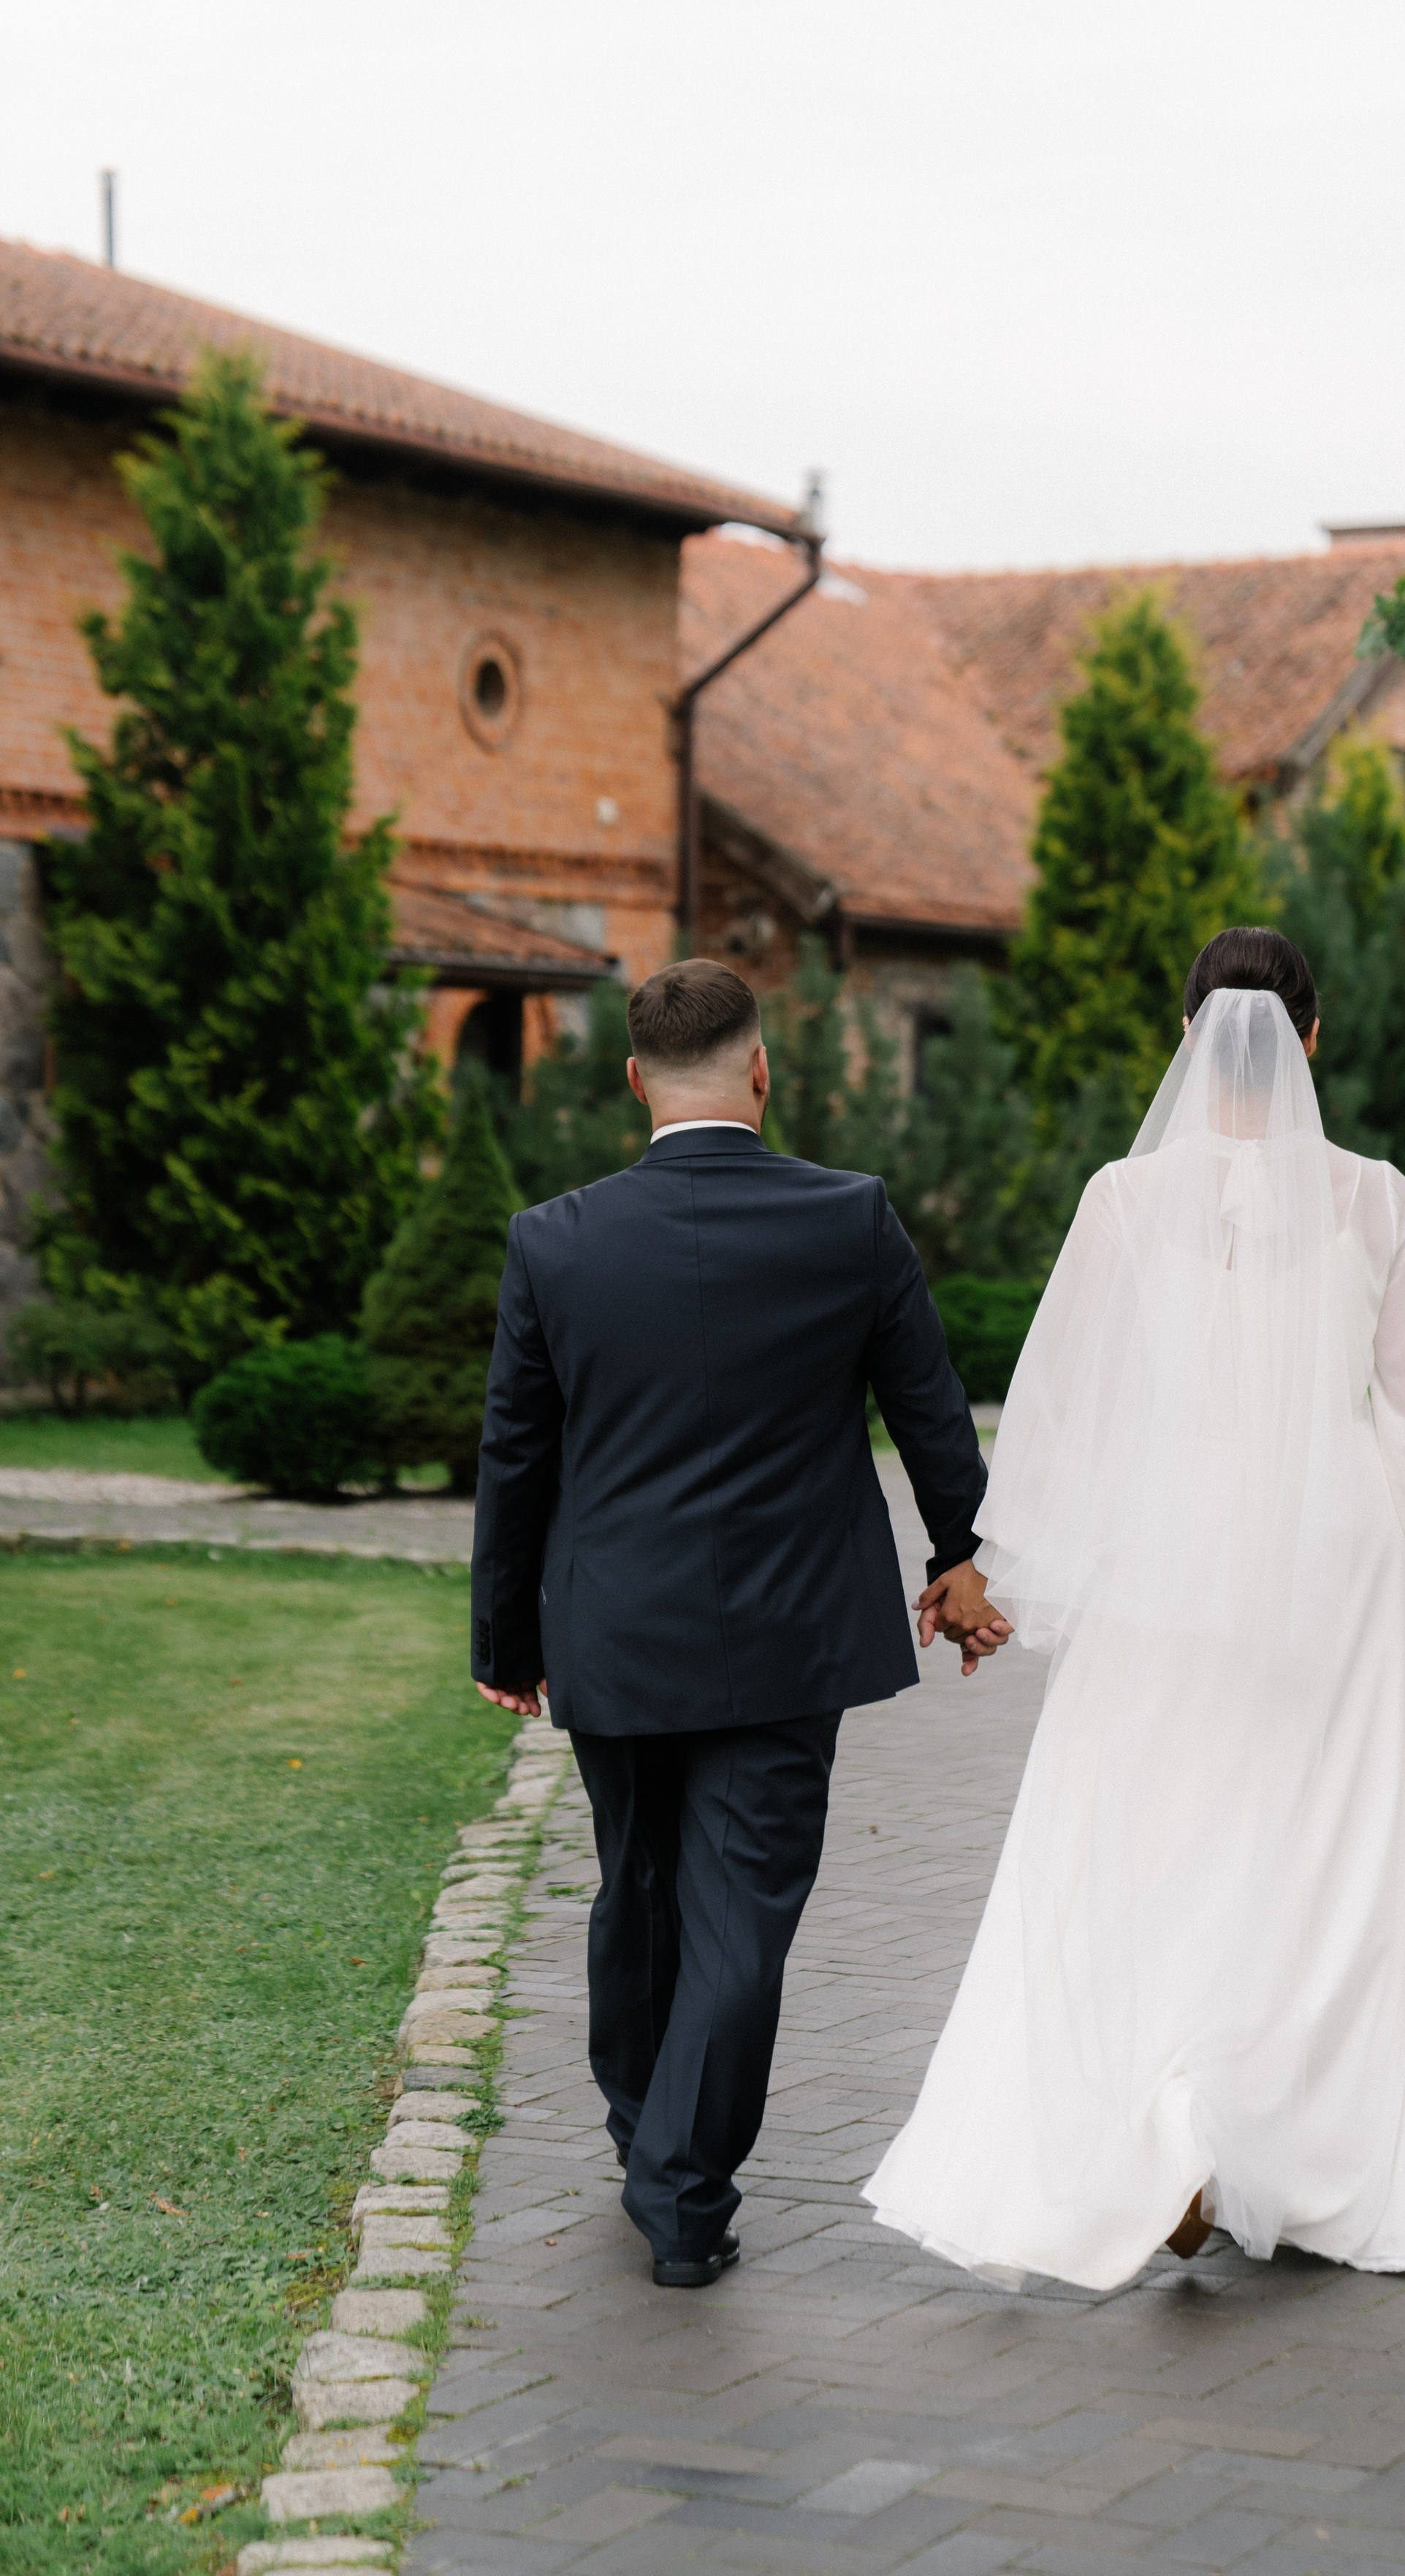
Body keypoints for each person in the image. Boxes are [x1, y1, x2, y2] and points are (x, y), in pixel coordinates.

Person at [867, 929, 1405, 2289]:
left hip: (1168, 1564)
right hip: (1339, 1567)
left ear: (1191, 1039)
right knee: (1330, 1854)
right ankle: (1294, 2145)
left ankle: (1182, 2127)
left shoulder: (1121, 1202)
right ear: (1311, 1042)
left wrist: (999, 1579)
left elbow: (1066, 1413)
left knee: (1159, 1835)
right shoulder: (1377, 1202)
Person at [470, 958, 1008, 2288]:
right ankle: (684, 2186)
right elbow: (931, 1410)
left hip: (612, 1634)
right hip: (789, 1636)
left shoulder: (557, 1239)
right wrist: (964, 1557)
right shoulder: (852, 1218)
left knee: (638, 1890)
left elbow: (514, 1458)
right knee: (740, 1917)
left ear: (636, 1083)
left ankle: (648, 2142)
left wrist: (504, 1644)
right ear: (762, 1071)